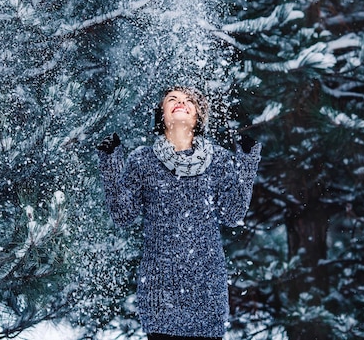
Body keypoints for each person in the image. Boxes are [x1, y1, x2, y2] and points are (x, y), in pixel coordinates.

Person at [96, 86, 261, 340]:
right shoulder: (143, 160)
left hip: (208, 293)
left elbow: (233, 213)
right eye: (172, 99)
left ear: (198, 117)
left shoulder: (218, 160)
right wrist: (111, 162)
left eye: (188, 101)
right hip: (160, 294)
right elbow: (123, 215)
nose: (180, 102)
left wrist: (247, 163)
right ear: (161, 115)